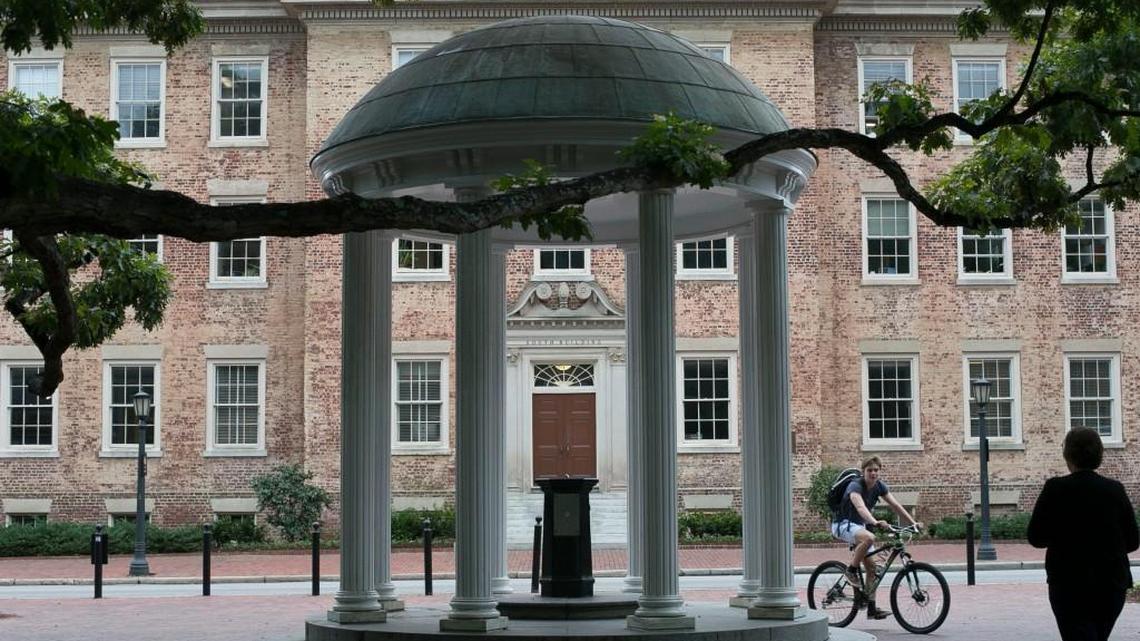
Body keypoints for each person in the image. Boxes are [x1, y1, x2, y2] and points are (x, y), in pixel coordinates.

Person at [1028, 427, 1138, 641]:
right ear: (1099, 454)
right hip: (1111, 583)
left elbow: (1036, 537)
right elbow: (1133, 541)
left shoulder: (1055, 489)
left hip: (1068, 582)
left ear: (1067, 455)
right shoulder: (1115, 489)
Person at [831, 455, 922, 620]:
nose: (873, 473)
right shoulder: (855, 485)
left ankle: (871, 608)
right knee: (869, 538)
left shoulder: (879, 486)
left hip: (861, 526)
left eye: (876, 470)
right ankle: (850, 571)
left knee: (872, 568)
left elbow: (895, 505)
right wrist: (875, 521)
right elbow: (860, 507)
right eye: (869, 470)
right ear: (863, 471)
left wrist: (913, 523)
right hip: (843, 524)